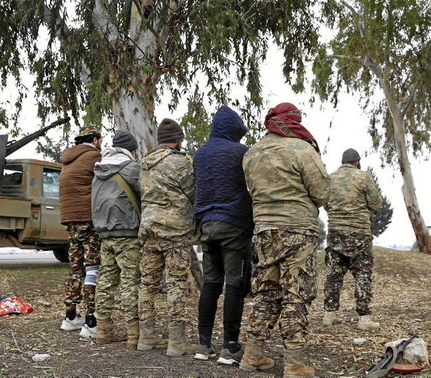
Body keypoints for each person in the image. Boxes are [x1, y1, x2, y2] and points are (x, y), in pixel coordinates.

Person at [240, 103, 330, 378]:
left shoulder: (251, 153)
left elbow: (250, 191)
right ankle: (294, 364)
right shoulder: (302, 150)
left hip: (264, 231)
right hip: (298, 230)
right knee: (296, 295)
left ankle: (252, 355)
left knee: (266, 293)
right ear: (293, 122)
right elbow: (323, 193)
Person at [192, 106, 253, 365]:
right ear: (234, 130)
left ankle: (203, 344)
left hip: (206, 226)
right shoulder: (243, 153)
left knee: (211, 284)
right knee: (235, 285)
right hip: (234, 227)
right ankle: (230, 347)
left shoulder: (200, 154)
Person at [137, 118, 197, 356]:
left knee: (147, 284)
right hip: (175, 231)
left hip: (149, 229)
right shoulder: (179, 163)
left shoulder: (145, 163)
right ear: (178, 140)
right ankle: (176, 340)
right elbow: (193, 192)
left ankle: (146, 336)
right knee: (176, 284)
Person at [91, 130, 142, 348]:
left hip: (105, 233)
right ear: (131, 150)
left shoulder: (99, 169)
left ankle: (103, 329)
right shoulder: (131, 168)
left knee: (105, 281)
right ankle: (134, 334)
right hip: (128, 233)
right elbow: (146, 194)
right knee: (130, 282)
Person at [322, 149, 383, 330]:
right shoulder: (364, 177)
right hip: (359, 234)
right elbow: (376, 204)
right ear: (357, 162)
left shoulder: (330, 178)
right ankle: (364, 319)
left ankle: (329, 315)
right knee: (362, 275)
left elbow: (325, 203)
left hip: (335, 233)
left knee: (333, 275)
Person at [59, 124, 103, 339]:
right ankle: (91, 322)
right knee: (93, 267)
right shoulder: (94, 156)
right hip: (88, 219)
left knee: (75, 266)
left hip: (70, 220)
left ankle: (70, 317)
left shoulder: (68, 158)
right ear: (95, 139)